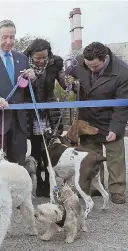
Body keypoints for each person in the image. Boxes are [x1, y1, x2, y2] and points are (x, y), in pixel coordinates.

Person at [71, 42, 128, 204]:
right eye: (88, 66)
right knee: (90, 157)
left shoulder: (123, 72)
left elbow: (122, 105)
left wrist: (116, 129)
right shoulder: (81, 62)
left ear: (106, 58)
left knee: (115, 157)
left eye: (95, 66)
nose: (91, 69)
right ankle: (94, 187)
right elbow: (69, 72)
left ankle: (117, 189)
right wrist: (70, 81)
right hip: (88, 121)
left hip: (110, 119)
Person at [0, 19, 35, 165]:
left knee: (18, 165)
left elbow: (27, 90)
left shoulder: (22, 59)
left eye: (12, 37)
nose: (9, 41)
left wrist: (32, 78)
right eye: (4, 37)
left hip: (18, 122)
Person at [23, 38, 65, 197]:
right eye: (37, 58)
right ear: (31, 55)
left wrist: (70, 82)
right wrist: (28, 78)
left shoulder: (55, 64)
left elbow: (63, 81)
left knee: (50, 148)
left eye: (44, 58)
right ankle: (38, 182)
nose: (41, 61)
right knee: (35, 149)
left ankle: (48, 182)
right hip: (32, 112)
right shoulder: (23, 65)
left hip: (49, 113)